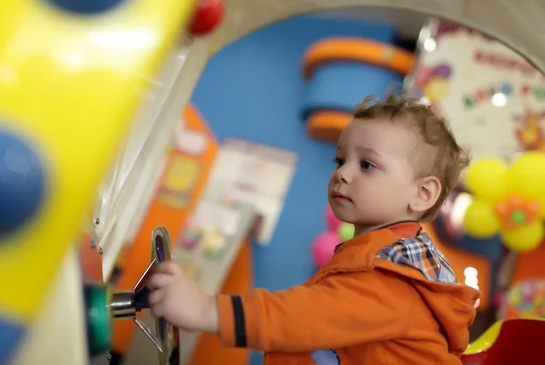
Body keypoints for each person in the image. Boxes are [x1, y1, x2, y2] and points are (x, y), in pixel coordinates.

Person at [147, 93, 480, 364]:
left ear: (422, 194)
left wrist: (206, 310)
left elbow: (306, 316)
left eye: (366, 164)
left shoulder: (397, 275)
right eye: (340, 160)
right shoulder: (376, 256)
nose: (342, 174)